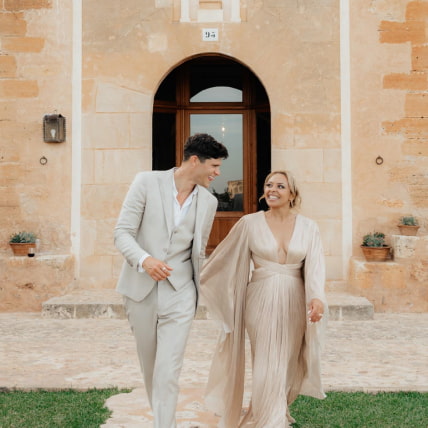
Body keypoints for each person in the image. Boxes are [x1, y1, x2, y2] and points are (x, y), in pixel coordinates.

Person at [114, 133, 229, 428]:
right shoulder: (146, 182)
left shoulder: (209, 202)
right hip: (140, 291)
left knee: (168, 371)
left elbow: (198, 251)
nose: (218, 173)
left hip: (181, 293)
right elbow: (122, 233)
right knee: (151, 369)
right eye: (214, 165)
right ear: (194, 161)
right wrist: (145, 260)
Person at [200, 170, 328, 428]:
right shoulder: (250, 223)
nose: (272, 190)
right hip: (259, 300)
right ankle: (269, 421)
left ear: (292, 194)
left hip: (294, 299)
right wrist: (193, 275)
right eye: (269, 185)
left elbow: (315, 266)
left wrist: (316, 297)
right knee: (267, 361)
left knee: (288, 362)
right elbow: (222, 257)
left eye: (280, 186)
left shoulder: (308, 227)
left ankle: (274, 411)